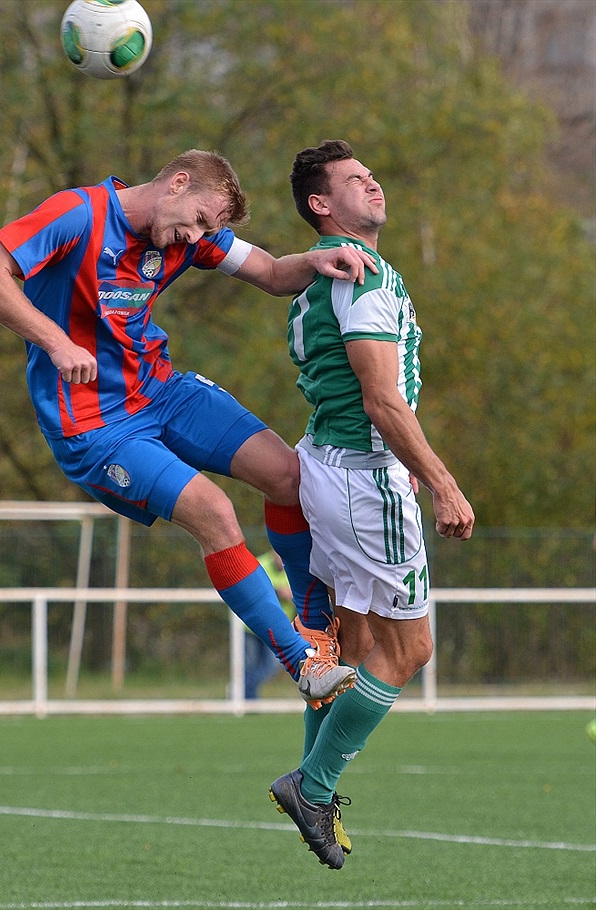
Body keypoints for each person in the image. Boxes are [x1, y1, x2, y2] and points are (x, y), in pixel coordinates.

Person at [0, 150, 376, 706]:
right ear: (177, 183)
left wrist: (318, 261)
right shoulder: (78, 215)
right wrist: (56, 341)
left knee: (287, 475)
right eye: (200, 220)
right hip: (95, 425)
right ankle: (300, 662)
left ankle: (315, 626)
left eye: (209, 229)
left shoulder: (190, 235)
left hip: (162, 393)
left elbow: (274, 275)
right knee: (214, 511)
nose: (197, 236)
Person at [268, 140, 475, 869]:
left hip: (332, 466)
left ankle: (311, 799)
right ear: (322, 206)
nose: (374, 182)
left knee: (351, 650)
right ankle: (312, 787)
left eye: (372, 174)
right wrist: (441, 479)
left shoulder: (322, 277)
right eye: (356, 180)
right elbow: (381, 398)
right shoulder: (358, 274)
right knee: (410, 648)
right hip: (363, 477)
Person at [243, 551, 296, 699]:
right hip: (251, 626)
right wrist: (278, 592)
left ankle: (242, 691)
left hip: (276, 627)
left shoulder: (293, 566)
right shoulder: (260, 564)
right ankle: (249, 700)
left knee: (272, 665)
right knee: (249, 665)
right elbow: (250, 588)